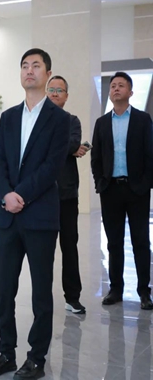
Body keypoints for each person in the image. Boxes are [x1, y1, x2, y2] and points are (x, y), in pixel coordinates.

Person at [0, 48, 70, 379]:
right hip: (9, 215)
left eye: (36, 66)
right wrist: (7, 193)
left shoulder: (59, 119)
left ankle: (36, 357)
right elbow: (0, 160)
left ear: (47, 74)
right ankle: (6, 352)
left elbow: (52, 166)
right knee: (4, 288)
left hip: (40, 216)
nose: (29, 70)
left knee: (40, 292)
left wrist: (21, 194)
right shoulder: (8, 117)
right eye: (24, 66)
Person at [91, 71, 153, 310]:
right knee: (114, 243)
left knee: (141, 242)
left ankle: (144, 292)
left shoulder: (143, 120)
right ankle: (115, 289)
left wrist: (145, 184)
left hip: (137, 190)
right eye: (113, 86)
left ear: (131, 92)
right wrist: (100, 182)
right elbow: (96, 157)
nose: (116, 88)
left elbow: (150, 154)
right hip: (110, 190)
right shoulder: (102, 123)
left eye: (121, 85)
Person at [46, 75, 88, 314]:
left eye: (59, 90)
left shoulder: (72, 121)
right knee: (44, 250)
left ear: (66, 96)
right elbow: (69, 146)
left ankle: (72, 297)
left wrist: (68, 147)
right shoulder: (38, 120)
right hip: (43, 195)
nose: (54, 93)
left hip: (67, 195)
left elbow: (72, 143)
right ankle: (43, 298)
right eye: (51, 89)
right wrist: (69, 148)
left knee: (69, 247)